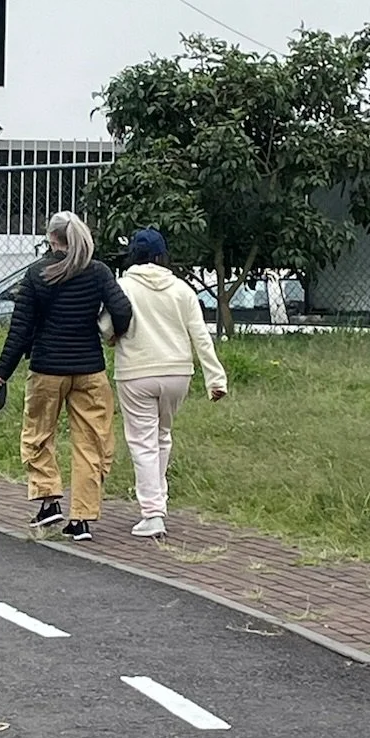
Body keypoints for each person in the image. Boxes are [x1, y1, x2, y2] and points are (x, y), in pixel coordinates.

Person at [0, 210, 133, 544]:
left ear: (51, 238)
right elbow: (123, 310)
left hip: (46, 369)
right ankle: (82, 519)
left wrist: (3, 372)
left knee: (39, 435)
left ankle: (49, 500)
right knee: (91, 443)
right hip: (89, 369)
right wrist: (114, 335)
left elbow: (21, 329)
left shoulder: (38, 274)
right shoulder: (98, 272)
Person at [111, 227, 228, 540]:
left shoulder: (122, 287)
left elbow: (107, 327)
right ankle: (157, 501)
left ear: (132, 256)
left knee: (142, 441)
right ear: (163, 256)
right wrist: (215, 378)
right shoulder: (182, 289)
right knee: (162, 436)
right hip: (178, 373)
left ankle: (152, 513)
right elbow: (200, 336)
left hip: (136, 373)